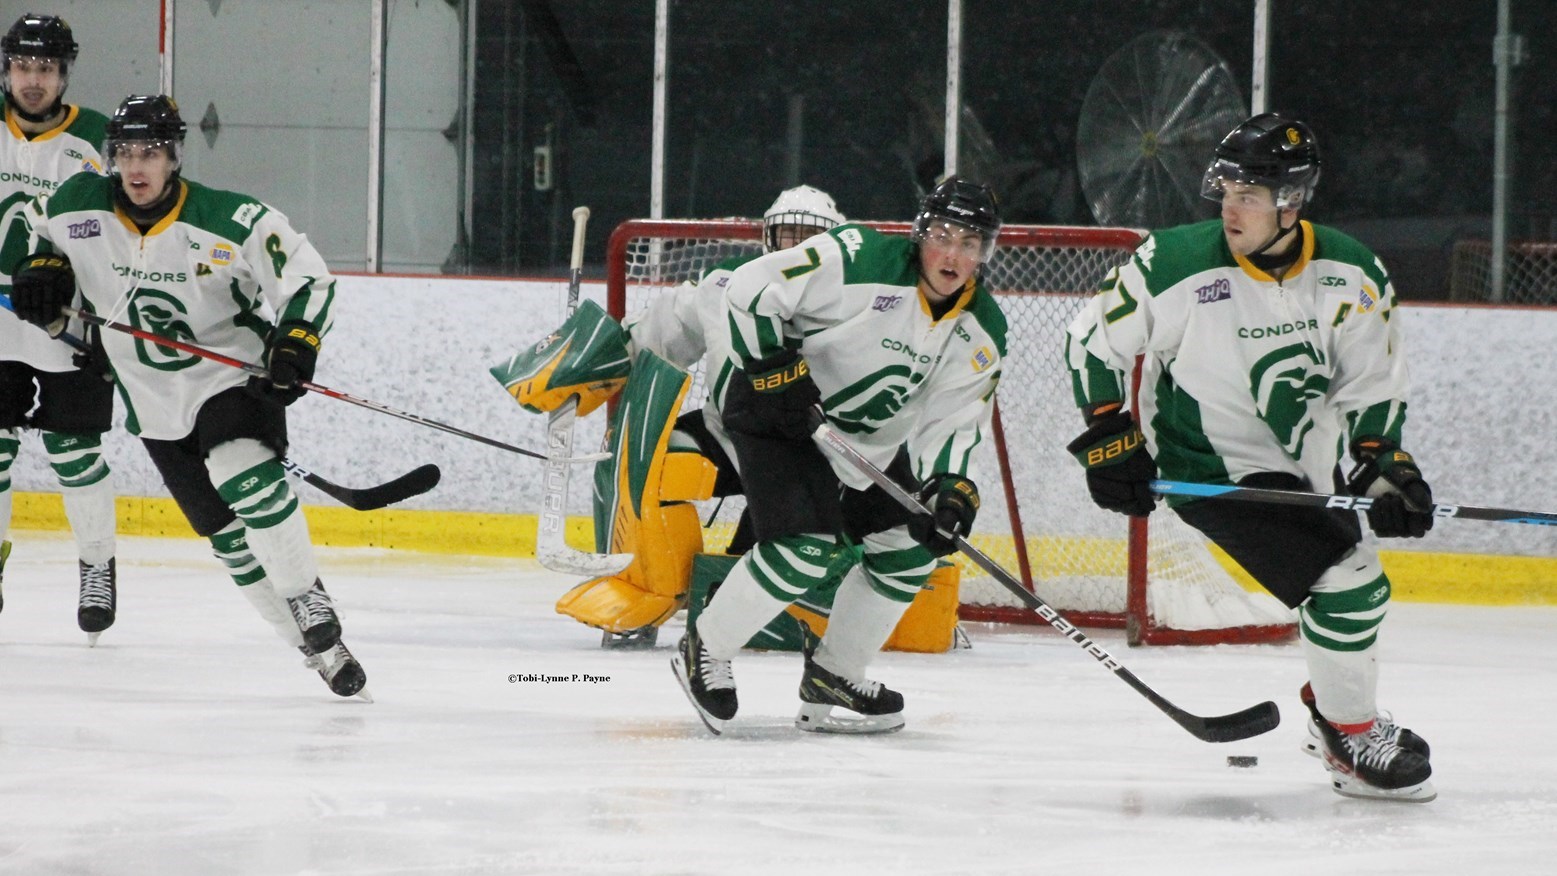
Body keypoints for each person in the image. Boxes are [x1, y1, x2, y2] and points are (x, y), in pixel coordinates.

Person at [1062, 112, 1435, 802]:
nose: (1229, 210)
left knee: (1354, 587)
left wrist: (1385, 466)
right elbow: (1090, 341)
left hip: (1305, 467)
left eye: (1248, 196)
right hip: (1208, 465)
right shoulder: (1173, 262)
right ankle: (1348, 735)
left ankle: (1336, 714)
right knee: (1349, 583)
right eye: (1226, 192)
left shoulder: (1351, 271)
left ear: (1290, 202)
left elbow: (1372, 385)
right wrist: (1110, 437)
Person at [8, 94, 366, 698]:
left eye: (150, 153)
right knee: (228, 541)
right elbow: (41, 236)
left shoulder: (230, 219)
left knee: (240, 474)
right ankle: (320, 651)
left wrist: (297, 340)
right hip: (152, 403)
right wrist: (42, 269)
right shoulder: (76, 204)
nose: (136, 167)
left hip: (229, 380)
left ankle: (306, 593)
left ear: (174, 156)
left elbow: (309, 279)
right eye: (125, 153)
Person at [671, 176, 1005, 735]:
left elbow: (956, 417)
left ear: (984, 253)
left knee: (910, 550)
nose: (953, 255)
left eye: (969, 243)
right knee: (803, 550)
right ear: (921, 234)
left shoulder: (982, 328)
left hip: (864, 443)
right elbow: (750, 288)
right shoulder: (859, 256)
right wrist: (773, 367)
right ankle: (706, 645)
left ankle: (835, 673)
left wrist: (950, 488)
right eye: (943, 237)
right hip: (780, 413)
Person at [0, 13, 116, 638]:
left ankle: (97, 563)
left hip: (68, 318)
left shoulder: (99, 137)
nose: (33, 79)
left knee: (74, 450)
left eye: (46, 68)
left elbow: (121, 229)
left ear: (65, 73)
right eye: (22, 66)